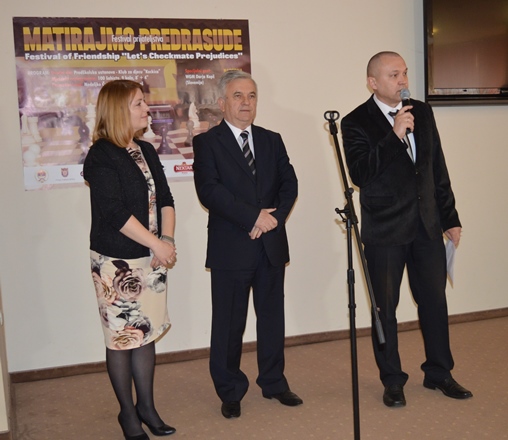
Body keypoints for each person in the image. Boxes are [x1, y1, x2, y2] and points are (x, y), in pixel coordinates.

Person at [341, 51, 473, 408]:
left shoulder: (422, 112)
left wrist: (450, 217)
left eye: (404, 73)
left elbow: (436, 167)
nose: (403, 81)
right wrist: (394, 134)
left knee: (434, 302)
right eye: (393, 75)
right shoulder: (356, 122)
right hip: (385, 229)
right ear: (372, 82)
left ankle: (439, 373)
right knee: (385, 308)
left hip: (427, 224)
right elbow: (361, 174)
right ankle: (392, 380)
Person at [192, 70, 302, 419]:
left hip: (270, 245)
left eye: (252, 96)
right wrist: (254, 217)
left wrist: (273, 219)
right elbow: (210, 191)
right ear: (222, 103)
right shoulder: (207, 143)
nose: (246, 102)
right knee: (229, 324)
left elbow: (289, 185)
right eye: (238, 96)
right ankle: (230, 389)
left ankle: (274, 382)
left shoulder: (272, 140)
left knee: (272, 319)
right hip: (231, 248)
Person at [83, 80, 177, 439]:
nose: (146, 109)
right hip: (115, 263)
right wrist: (157, 245)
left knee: (145, 333)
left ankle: (147, 408)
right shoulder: (101, 155)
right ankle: (128, 414)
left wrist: (166, 241)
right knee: (122, 338)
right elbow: (115, 212)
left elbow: (166, 198)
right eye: (138, 104)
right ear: (118, 110)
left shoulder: (146, 149)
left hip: (151, 257)